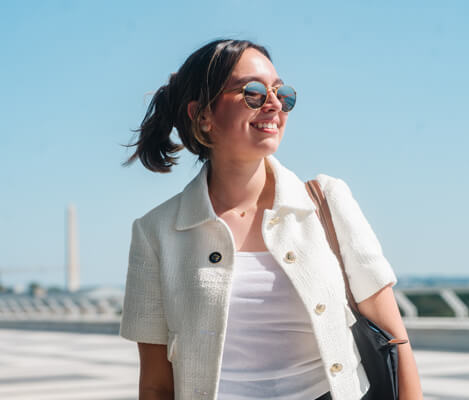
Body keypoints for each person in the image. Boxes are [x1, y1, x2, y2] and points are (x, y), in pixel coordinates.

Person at [120, 39, 423, 400]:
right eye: (254, 92)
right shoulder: (156, 232)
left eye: (283, 94)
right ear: (202, 115)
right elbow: (155, 385)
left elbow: (395, 337)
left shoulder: (327, 200)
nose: (275, 104)